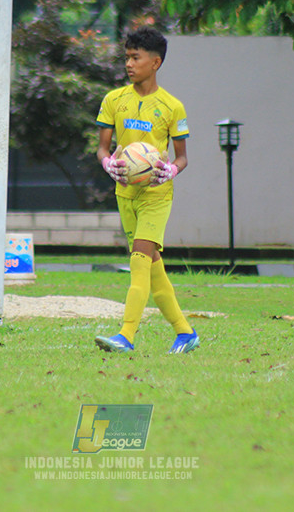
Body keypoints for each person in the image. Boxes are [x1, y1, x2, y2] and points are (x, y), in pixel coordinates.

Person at [94, 27, 199, 354]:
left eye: (135, 58)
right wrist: (107, 164)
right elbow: (102, 149)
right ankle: (185, 332)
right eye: (127, 57)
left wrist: (170, 171)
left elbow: (182, 158)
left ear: (155, 63)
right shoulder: (114, 100)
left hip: (155, 196)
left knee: (139, 261)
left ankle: (126, 336)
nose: (129, 64)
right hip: (125, 194)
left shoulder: (172, 107)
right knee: (153, 269)